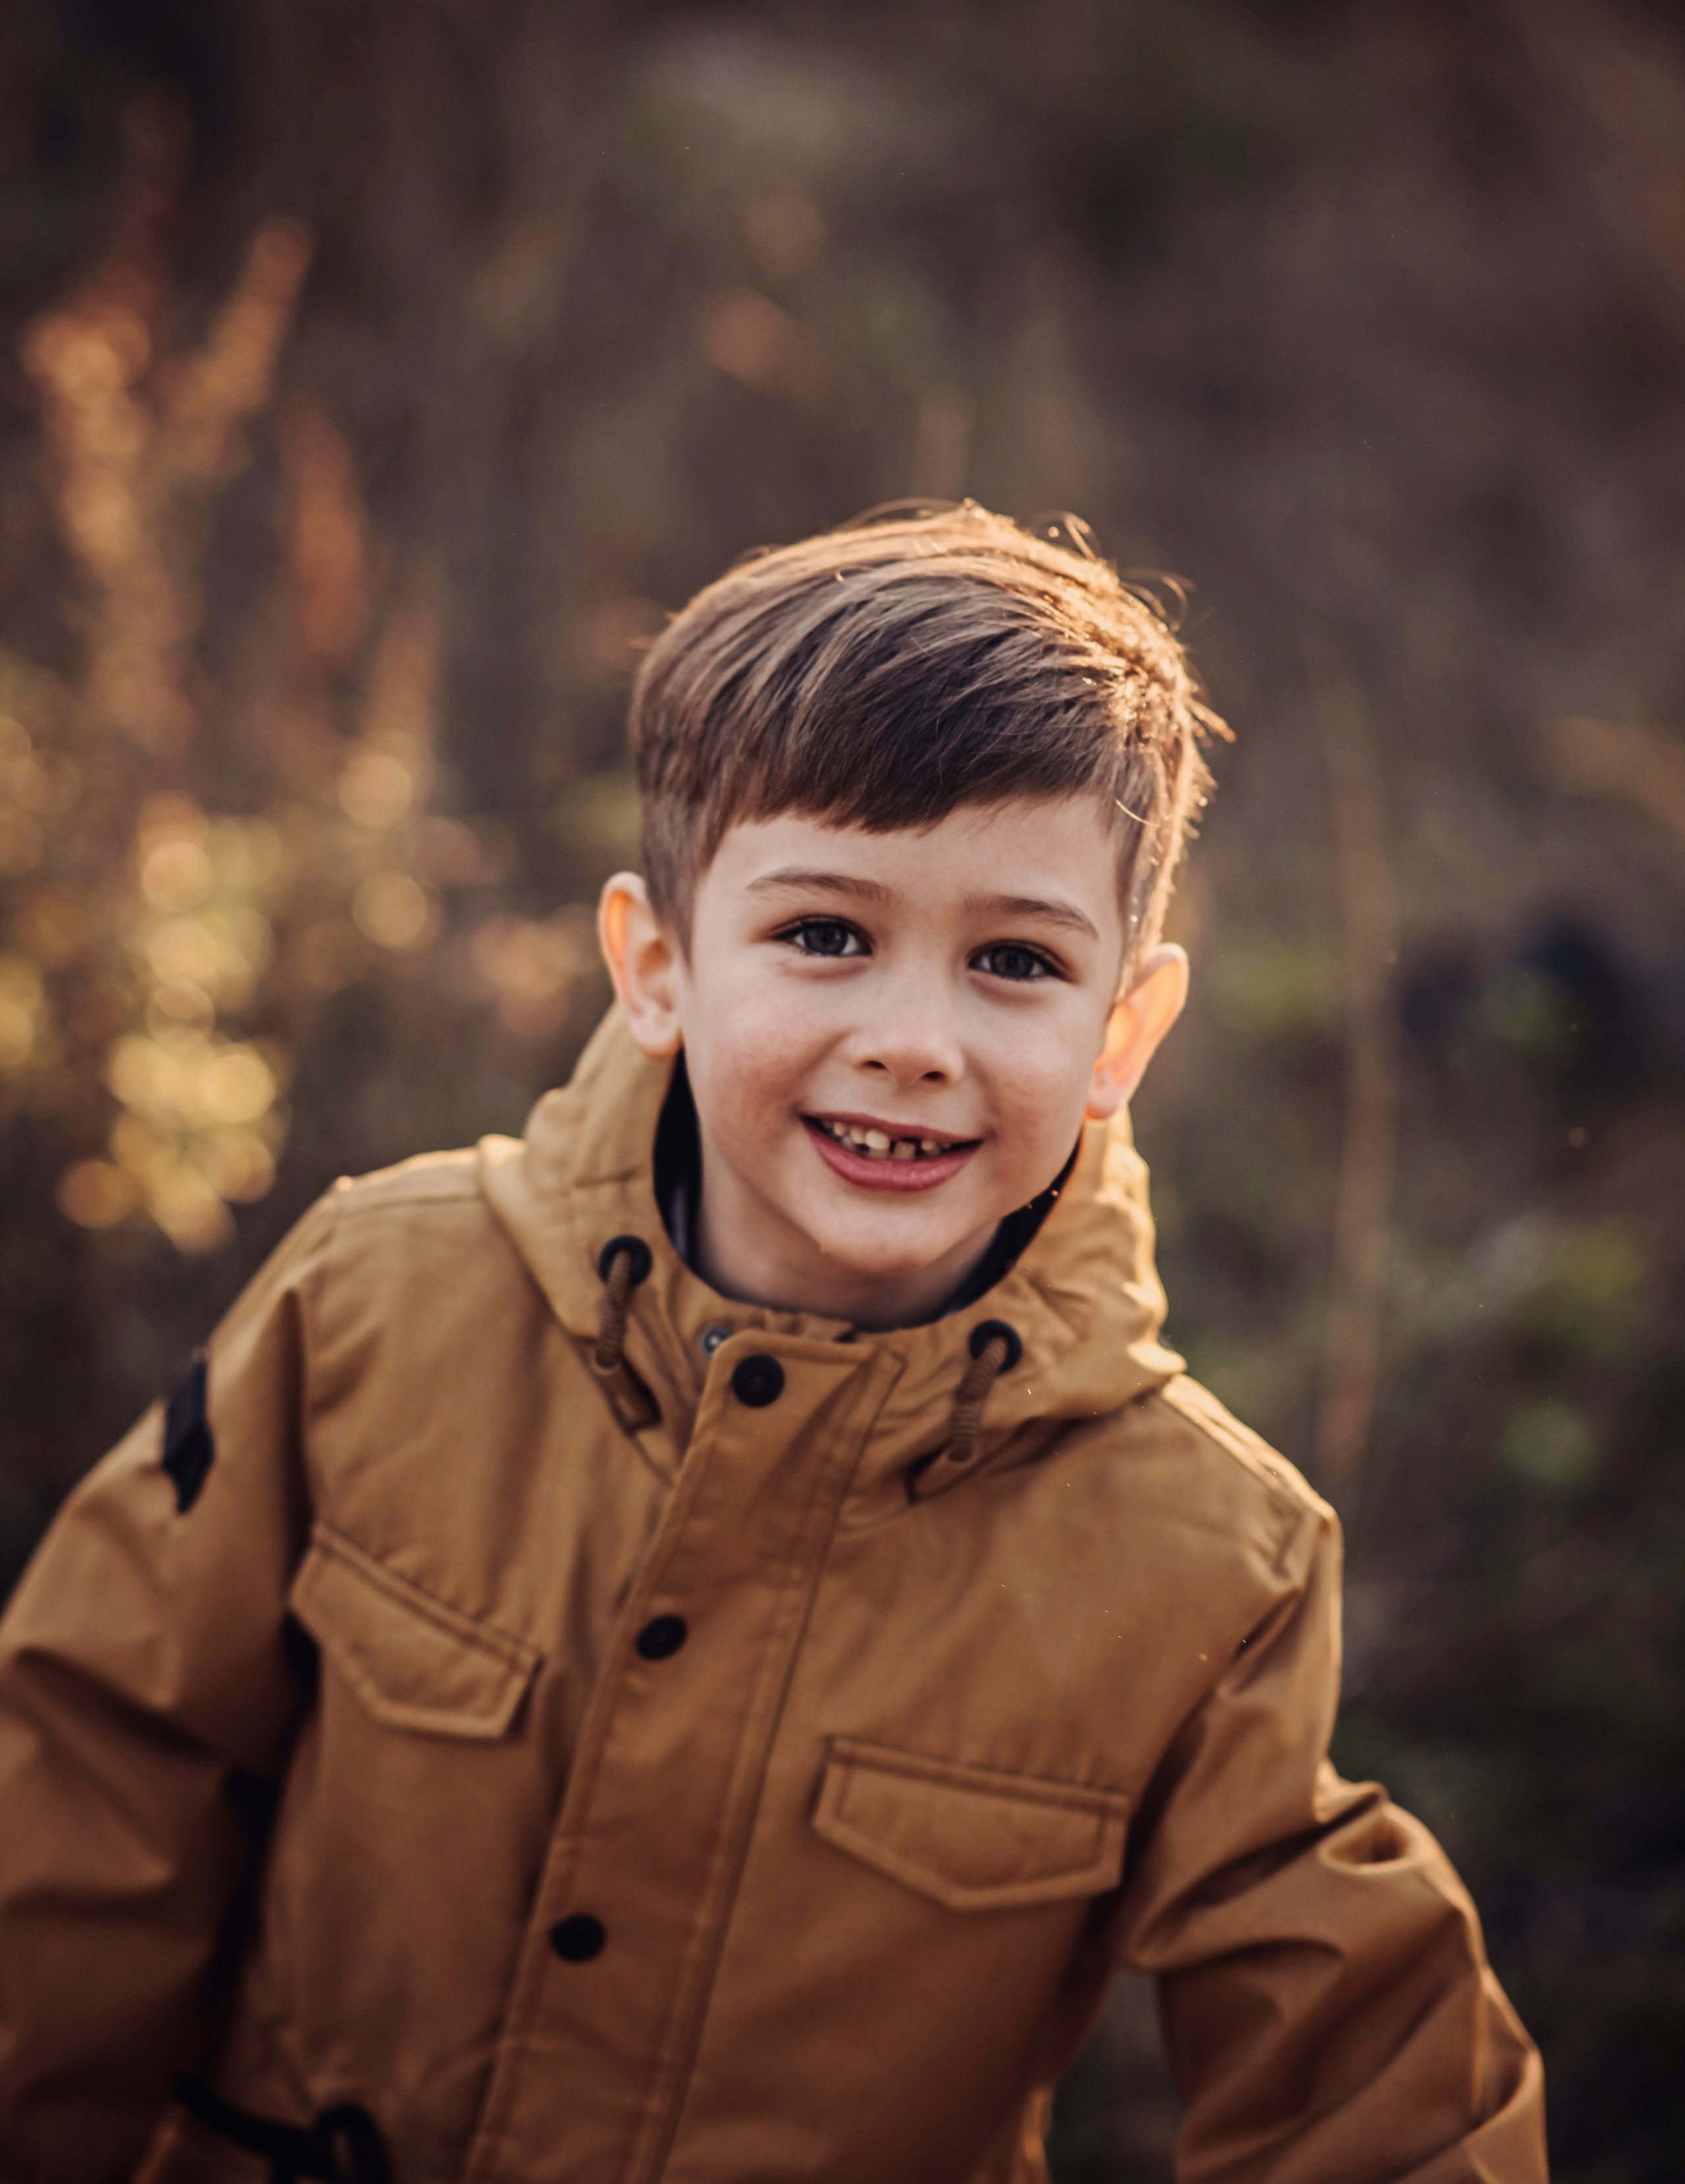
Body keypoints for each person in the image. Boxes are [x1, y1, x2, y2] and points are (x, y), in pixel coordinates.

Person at [0, 504, 1546, 2184]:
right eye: (825, 936)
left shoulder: (1199, 1558)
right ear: (655, 965)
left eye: (1012, 963)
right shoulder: (382, 1297)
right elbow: (91, 1788)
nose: (911, 1043)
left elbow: (1372, 2077)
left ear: (1123, 1032)